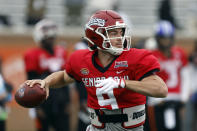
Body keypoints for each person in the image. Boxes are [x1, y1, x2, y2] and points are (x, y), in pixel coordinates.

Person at [23, 10, 168, 131]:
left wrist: (124, 83)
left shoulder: (136, 57)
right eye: (113, 33)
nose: (120, 38)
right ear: (96, 36)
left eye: (121, 32)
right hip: (96, 127)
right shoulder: (81, 59)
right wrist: (46, 82)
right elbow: (65, 76)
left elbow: (161, 89)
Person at [23, 19, 78, 131]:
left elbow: (65, 79)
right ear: (40, 37)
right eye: (48, 37)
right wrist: (37, 107)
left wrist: (68, 102)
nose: (51, 40)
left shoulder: (61, 51)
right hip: (43, 101)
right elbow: (31, 81)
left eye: (53, 37)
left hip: (60, 100)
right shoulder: (32, 54)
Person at [147, 20, 189, 131]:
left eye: (168, 37)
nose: (166, 41)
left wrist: (183, 98)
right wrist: (155, 99)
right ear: (157, 38)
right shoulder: (152, 56)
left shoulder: (179, 53)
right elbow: (148, 80)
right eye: (163, 38)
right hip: (159, 100)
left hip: (176, 99)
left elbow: (185, 77)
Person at [0, 57, 13, 131]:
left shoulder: (2, 78)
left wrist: (6, 93)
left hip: (2, 109)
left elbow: (9, 89)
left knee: (2, 126)